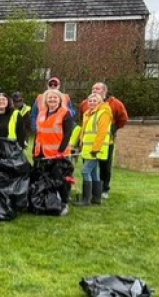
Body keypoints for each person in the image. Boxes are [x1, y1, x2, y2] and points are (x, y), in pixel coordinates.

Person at [79, 82, 128, 199]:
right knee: (92, 169)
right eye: (93, 88)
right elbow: (83, 121)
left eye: (98, 89)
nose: (95, 90)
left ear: (105, 91)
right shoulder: (85, 104)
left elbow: (123, 118)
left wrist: (113, 129)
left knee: (105, 167)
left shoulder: (114, 104)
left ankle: (104, 189)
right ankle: (94, 194)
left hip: (104, 143)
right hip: (88, 144)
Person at [33, 88, 75, 216]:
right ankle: (47, 203)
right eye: (50, 97)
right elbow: (38, 133)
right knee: (45, 179)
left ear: (60, 99)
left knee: (60, 180)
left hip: (58, 153)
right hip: (42, 152)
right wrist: (35, 150)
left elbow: (68, 134)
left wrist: (61, 151)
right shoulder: (41, 114)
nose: (52, 99)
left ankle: (63, 202)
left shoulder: (65, 113)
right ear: (46, 100)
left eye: (55, 97)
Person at [76, 92, 113, 207]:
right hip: (88, 148)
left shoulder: (104, 113)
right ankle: (96, 198)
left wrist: (96, 148)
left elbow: (102, 132)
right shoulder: (88, 113)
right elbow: (85, 131)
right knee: (93, 172)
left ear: (100, 102)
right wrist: (81, 143)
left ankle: (86, 199)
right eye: (90, 101)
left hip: (96, 149)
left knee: (85, 171)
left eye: (94, 101)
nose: (91, 102)